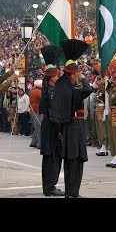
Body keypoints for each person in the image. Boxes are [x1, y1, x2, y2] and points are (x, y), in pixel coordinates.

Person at [51, 39, 92, 198]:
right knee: (75, 162)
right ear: (72, 75)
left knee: (70, 163)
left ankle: (71, 192)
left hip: (68, 128)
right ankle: (73, 193)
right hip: (75, 128)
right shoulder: (73, 90)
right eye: (76, 74)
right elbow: (88, 90)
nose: (77, 77)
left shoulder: (62, 87)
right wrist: (83, 78)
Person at [39, 45, 65, 197]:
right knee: (53, 159)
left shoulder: (46, 90)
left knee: (50, 158)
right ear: (52, 79)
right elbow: (54, 114)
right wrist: (59, 131)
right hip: (52, 129)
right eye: (56, 76)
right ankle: (50, 187)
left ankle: (49, 186)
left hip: (48, 127)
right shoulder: (52, 92)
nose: (58, 78)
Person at [29, 79, 43, 149]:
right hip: (37, 110)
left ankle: (33, 142)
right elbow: (43, 100)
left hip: (32, 110)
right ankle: (40, 143)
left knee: (36, 126)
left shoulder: (32, 91)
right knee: (39, 127)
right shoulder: (39, 92)